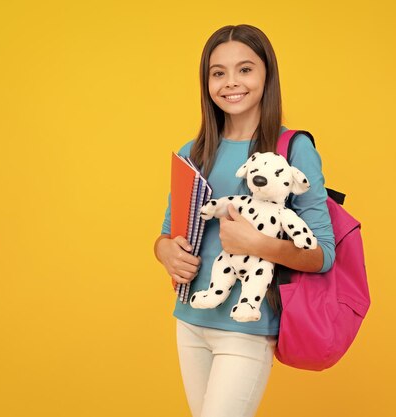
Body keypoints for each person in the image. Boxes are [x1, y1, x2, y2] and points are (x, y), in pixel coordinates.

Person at [153, 24, 336, 417]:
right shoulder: (195, 150)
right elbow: (169, 232)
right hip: (190, 321)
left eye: (245, 69)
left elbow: (323, 254)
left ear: (266, 74)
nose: (230, 83)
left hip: (248, 328)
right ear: (207, 82)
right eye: (218, 73)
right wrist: (164, 251)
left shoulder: (294, 149)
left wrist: (256, 244)